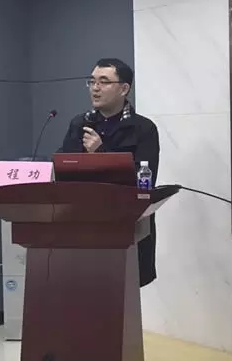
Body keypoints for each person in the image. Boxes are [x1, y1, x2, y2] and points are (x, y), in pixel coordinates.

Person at [59, 58, 159, 287]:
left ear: (124, 89)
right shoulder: (79, 124)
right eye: (92, 81)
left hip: (126, 225)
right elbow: (65, 170)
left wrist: (101, 152)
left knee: (123, 292)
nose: (95, 88)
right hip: (83, 223)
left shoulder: (143, 129)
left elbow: (144, 179)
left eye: (104, 82)